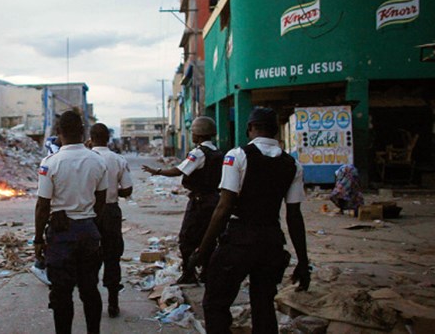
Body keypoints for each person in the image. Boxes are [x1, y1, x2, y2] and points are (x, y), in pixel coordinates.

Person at [197, 107, 310, 334]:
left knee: (215, 303)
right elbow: (294, 216)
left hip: (240, 239)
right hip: (271, 241)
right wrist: (303, 261)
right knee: (263, 305)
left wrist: (203, 250)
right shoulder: (292, 165)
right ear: (276, 131)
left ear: (250, 128)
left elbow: (224, 207)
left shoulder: (237, 156)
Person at [34, 110, 108, 334]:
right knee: (90, 290)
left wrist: (38, 240)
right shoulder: (97, 161)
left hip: (61, 233)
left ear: (58, 133)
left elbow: (42, 205)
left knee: (61, 293)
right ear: (83, 131)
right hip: (88, 231)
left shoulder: (50, 163)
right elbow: (101, 201)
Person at [142, 116, 223, 285]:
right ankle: (207, 272)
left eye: (193, 132)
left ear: (198, 134)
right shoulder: (218, 152)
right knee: (208, 237)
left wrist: (157, 171)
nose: (191, 135)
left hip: (200, 201)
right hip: (214, 199)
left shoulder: (198, 153)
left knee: (187, 238)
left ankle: (189, 273)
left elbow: (179, 170)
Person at [89, 123, 133, 318]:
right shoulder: (118, 159)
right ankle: (113, 302)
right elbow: (128, 189)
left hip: (89, 212)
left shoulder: (86, 158)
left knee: (89, 257)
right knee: (112, 256)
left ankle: (91, 299)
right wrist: (113, 189)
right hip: (111, 211)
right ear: (108, 138)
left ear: (91, 138)